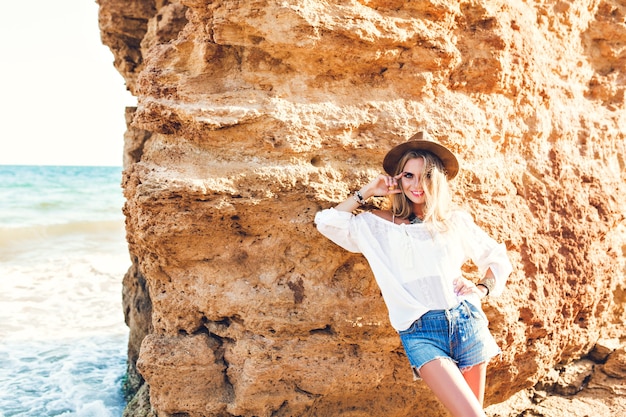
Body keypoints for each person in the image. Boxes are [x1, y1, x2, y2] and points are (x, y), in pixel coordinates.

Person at [314, 132, 513, 417]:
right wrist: (369, 191)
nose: (417, 185)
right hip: (421, 332)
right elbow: (327, 222)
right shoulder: (377, 225)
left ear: (439, 179)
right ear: (398, 179)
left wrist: (482, 289)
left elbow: (495, 256)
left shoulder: (453, 221)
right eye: (408, 176)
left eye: (427, 176)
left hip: (467, 322)